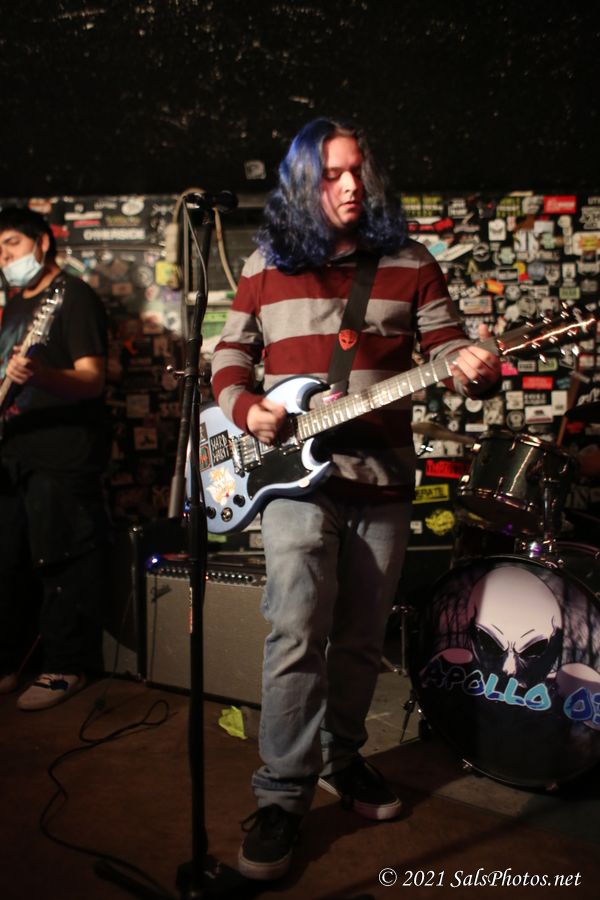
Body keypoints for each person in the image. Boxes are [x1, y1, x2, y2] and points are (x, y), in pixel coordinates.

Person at [211, 118, 501, 880]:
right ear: (302, 184)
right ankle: (282, 794)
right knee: (296, 630)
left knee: (364, 637)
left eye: (357, 172)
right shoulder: (266, 265)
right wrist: (249, 409)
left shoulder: (411, 262)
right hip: (292, 482)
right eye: (332, 174)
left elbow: (447, 348)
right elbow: (230, 355)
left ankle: (342, 756)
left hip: (384, 477)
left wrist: (473, 367)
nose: (350, 186)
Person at [0, 206, 109, 711]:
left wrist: (43, 376)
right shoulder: (15, 303)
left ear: (42, 242)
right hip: (14, 452)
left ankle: (66, 665)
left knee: (60, 560)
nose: (4, 258)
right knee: (9, 560)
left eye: (12, 244)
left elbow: (93, 379)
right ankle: (12, 661)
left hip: (62, 454)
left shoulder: (74, 297)